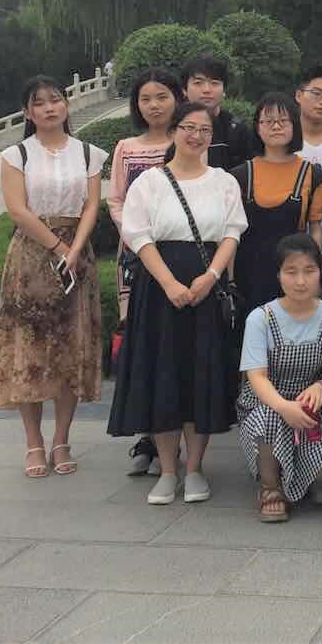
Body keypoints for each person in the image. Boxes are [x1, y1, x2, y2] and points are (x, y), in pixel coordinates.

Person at [107, 101, 248, 506]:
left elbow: (232, 233)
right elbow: (138, 236)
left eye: (204, 130)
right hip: (158, 293)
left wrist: (211, 277)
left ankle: (196, 468)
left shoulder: (223, 181)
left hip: (206, 288)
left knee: (199, 375)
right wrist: (169, 283)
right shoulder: (149, 183)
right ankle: (169, 470)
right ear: (173, 132)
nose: (196, 136)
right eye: (188, 127)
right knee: (163, 375)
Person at [0, 76, 108, 479]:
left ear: (66, 105)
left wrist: (75, 249)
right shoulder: (15, 155)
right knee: (30, 349)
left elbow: (91, 205)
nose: (49, 108)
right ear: (27, 112)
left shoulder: (88, 153)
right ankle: (33, 442)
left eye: (55, 100)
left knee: (69, 348)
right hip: (31, 257)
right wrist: (59, 248)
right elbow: (17, 210)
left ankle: (61, 439)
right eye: (38, 103)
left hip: (77, 255)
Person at [107, 67, 182, 478]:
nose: (154, 105)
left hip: (180, 257)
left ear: (177, 98)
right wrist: (139, 235)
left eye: (162, 96)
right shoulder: (126, 148)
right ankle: (147, 437)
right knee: (143, 345)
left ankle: (174, 436)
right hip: (136, 259)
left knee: (175, 346)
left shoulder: (187, 140)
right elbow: (115, 200)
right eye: (146, 99)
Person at [236, 234, 322, 521]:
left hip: (312, 407)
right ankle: (270, 488)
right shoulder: (260, 318)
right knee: (268, 419)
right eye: (291, 272)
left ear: (320, 272)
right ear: (278, 274)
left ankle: (300, 475)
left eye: (309, 271)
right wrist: (284, 407)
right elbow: (256, 377)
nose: (300, 281)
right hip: (267, 402)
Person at [229, 92, 322, 311]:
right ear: (257, 127)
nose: (276, 126)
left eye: (283, 121)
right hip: (249, 275)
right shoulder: (239, 176)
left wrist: (314, 273)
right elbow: (230, 234)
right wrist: (230, 280)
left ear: (295, 126)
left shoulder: (312, 175)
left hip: (295, 275)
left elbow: (316, 229)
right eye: (268, 121)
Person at [181, 55, 253, 170]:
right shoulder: (174, 129)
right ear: (184, 90)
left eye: (214, 83)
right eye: (198, 83)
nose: (207, 90)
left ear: (224, 90)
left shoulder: (238, 132)